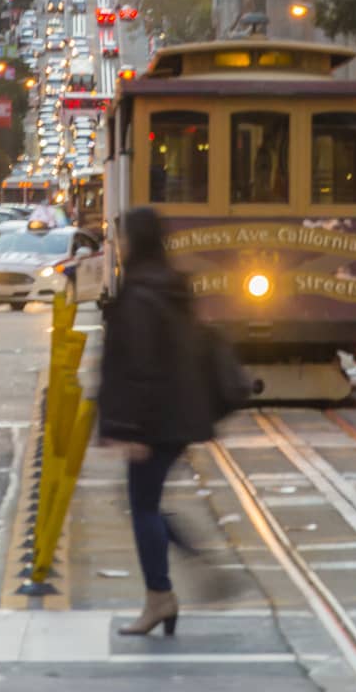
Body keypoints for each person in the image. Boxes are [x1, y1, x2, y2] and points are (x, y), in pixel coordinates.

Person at [97, 206, 214, 637]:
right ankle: (178, 575)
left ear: (137, 242)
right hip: (175, 417)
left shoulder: (142, 293)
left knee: (142, 506)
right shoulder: (167, 286)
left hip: (155, 422)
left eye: (123, 238)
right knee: (143, 502)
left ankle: (160, 597)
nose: (119, 246)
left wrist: (131, 429)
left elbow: (140, 367)